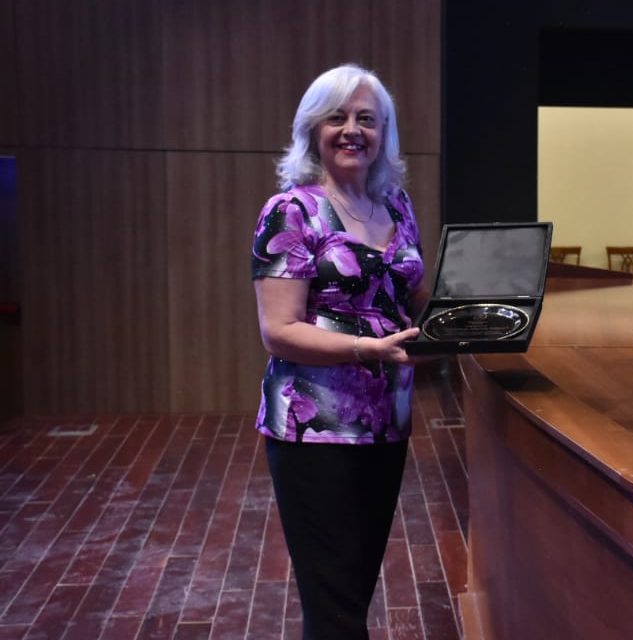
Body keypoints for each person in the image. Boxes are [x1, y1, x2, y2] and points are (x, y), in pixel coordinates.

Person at [251, 64, 427, 639]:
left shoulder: (396, 206)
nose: (353, 130)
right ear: (313, 129)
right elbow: (278, 330)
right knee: (334, 606)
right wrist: (365, 347)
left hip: (387, 424)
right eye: (338, 117)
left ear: (385, 134)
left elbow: (414, 298)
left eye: (367, 120)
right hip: (315, 427)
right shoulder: (291, 211)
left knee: (354, 587)